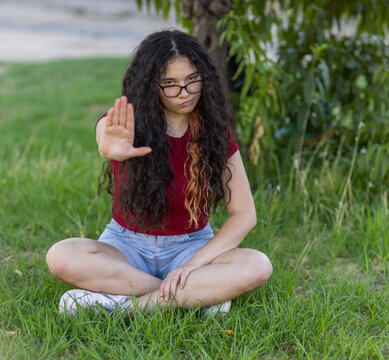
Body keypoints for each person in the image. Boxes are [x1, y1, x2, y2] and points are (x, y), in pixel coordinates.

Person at [46, 29, 272, 316]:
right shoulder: (126, 124)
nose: (185, 93)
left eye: (192, 81)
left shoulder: (215, 132)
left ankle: (124, 308)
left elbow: (244, 214)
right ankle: (192, 294)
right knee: (61, 256)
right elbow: (107, 136)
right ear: (151, 85)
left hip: (191, 245)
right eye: (170, 84)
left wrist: (193, 265)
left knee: (257, 265)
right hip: (126, 245)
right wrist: (110, 147)